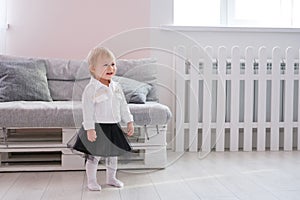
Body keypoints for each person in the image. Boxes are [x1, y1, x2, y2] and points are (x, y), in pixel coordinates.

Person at [80, 46, 134, 191]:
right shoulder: (91, 89)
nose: (111, 67)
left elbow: (123, 105)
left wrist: (129, 120)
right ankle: (91, 180)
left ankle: (111, 177)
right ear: (93, 68)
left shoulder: (116, 87)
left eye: (113, 64)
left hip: (113, 126)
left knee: (113, 155)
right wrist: (90, 129)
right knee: (94, 156)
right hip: (98, 127)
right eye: (105, 64)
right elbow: (87, 110)